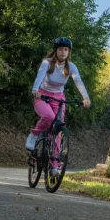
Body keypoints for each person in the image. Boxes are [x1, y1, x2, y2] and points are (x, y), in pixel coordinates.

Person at [26, 37, 91, 175]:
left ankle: (55, 164)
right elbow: (39, 77)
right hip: (42, 96)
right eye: (61, 49)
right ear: (56, 51)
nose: (63, 52)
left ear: (68, 52)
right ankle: (34, 134)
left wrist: (85, 97)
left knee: (59, 129)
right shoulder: (47, 63)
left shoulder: (71, 67)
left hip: (59, 100)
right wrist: (35, 90)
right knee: (48, 116)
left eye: (66, 49)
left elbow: (78, 81)